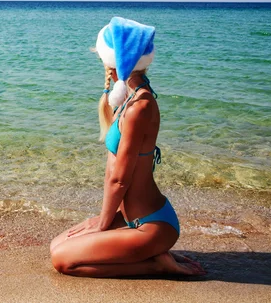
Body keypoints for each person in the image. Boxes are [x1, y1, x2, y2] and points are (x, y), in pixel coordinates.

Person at [50, 17, 204, 278]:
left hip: (151, 225)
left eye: (103, 58)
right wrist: (107, 219)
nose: (102, 64)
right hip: (129, 217)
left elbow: (119, 179)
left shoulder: (139, 107)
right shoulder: (130, 99)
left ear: (117, 59)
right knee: (57, 246)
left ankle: (157, 263)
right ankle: (148, 251)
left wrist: (102, 223)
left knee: (63, 262)